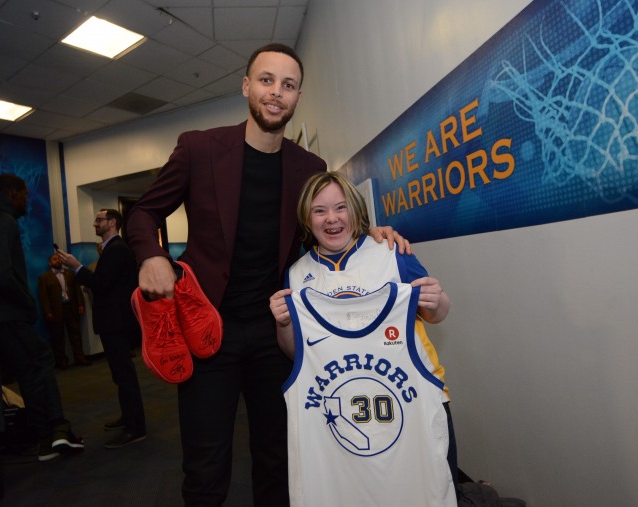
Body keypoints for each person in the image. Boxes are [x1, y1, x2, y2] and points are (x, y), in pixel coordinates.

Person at [125, 43, 407, 506]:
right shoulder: (199, 148)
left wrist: (366, 234)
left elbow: (321, 227)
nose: (276, 92)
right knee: (206, 466)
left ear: (297, 98)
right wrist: (150, 255)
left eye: (288, 85)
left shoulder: (308, 168)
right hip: (208, 332)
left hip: (276, 333)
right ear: (246, 87)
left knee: (278, 459)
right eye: (267, 80)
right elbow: (143, 212)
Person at [269, 171, 459, 504]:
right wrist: (283, 323)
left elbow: (436, 312)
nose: (332, 219)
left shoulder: (390, 251)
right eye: (319, 210)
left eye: (340, 208)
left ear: (355, 211)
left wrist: (437, 300)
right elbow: (295, 353)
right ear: (306, 218)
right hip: (341, 411)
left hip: (411, 401)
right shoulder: (297, 275)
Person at [0, 173, 84, 462]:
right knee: (40, 364)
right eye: (25, 196)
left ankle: (46, 439)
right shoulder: (2, 221)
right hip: (8, 315)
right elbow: (2, 274)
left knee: (27, 371)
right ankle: (54, 434)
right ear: (14, 193)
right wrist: (27, 302)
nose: (27, 202)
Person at [57, 208, 146, 449]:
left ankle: (136, 427)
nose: (95, 224)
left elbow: (102, 284)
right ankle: (129, 418)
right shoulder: (112, 249)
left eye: (99, 220)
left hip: (116, 321)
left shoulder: (116, 249)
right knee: (120, 374)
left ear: (113, 222)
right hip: (113, 320)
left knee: (124, 375)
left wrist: (77, 268)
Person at [38, 253, 90, 368]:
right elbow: (44, 297)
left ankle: (80, 358)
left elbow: (77, 290)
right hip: (56, 310)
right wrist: (47, 312)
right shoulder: (44, 278)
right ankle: (62, 362)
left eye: (59, 258)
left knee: (76, 335)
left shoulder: (70, 273)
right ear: (50, 262)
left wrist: (81, 305)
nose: (57, 261)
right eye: (54, 259)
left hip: (71, 307)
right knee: (58, 338)